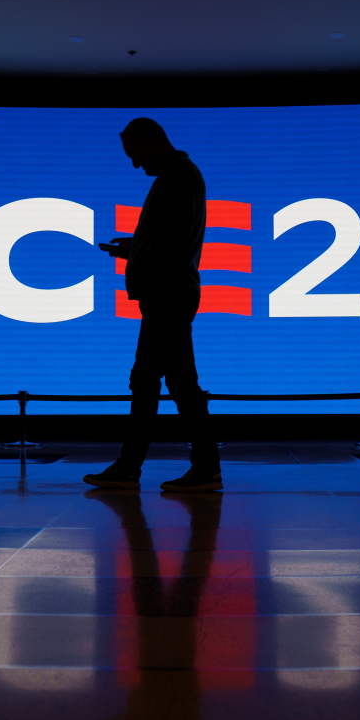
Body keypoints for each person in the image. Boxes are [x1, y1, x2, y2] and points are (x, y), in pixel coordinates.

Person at [84, 118, 223, 492]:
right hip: (170, 292)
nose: (134, 164)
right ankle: (172, 466)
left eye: (135, 154)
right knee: (165, 381)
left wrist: (139, 252)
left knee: (159, 381)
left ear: (149, 142)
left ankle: (143, 467)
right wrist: (135, 246)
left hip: (168, 294)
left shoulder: (179, 174)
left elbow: (172, 233)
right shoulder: (179, 174)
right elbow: (169, 233)